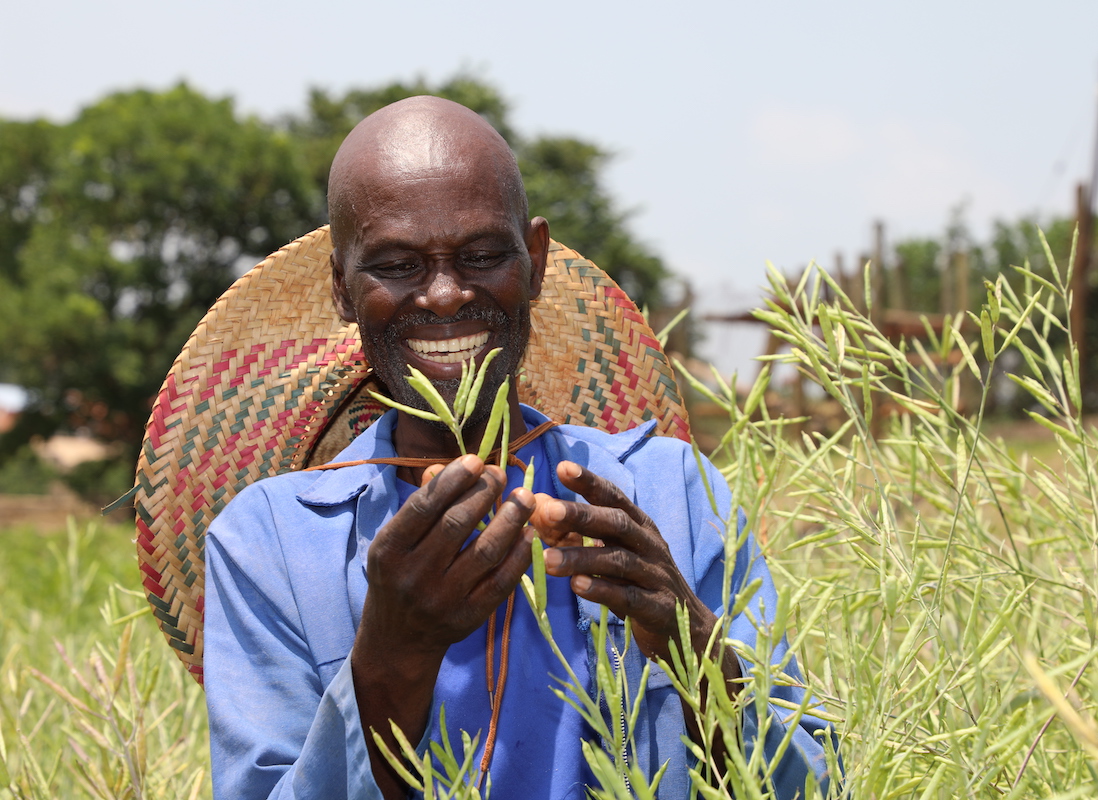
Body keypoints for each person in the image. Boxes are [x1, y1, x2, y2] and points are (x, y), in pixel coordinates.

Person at [203, 96, 835, 800]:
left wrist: (701, 659)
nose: (444, 295)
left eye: (480, 255)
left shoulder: (669, 494)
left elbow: (815, 785)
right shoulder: (268, 544)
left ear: (533, 262)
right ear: (342, 290)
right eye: (396, 265)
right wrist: (390, 661)